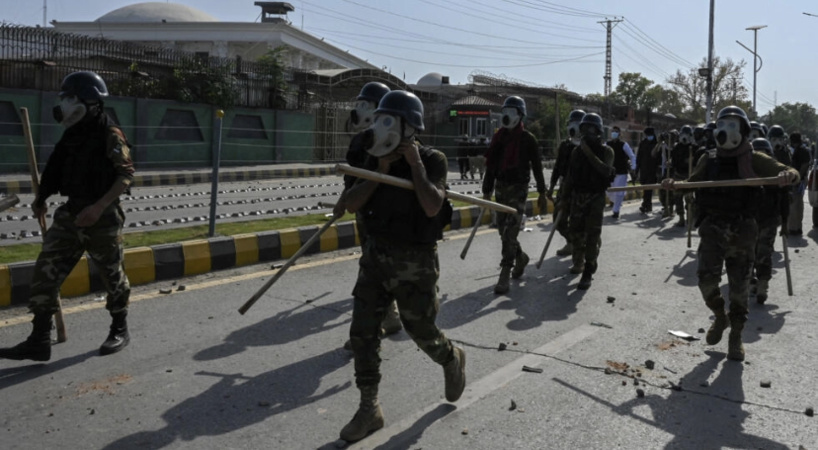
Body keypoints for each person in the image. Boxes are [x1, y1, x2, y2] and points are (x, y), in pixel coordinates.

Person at [339, 90, 465, 442]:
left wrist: (415, 167)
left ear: (411, 127)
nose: (384, 128)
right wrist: (378, 171)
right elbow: (350, 204)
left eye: (391, 121)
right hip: (375, 258)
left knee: (421, 331)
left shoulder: (432, 158)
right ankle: (369, 408)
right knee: (362, 333)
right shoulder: (372, 155)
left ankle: (451, 357)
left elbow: (431, 206)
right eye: (382, 120)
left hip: (415, 264)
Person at [0, 71, 134, 361]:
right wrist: (41, 198)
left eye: (69, 98)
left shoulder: (110, 134)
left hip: (103, 217)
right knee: (44, 274)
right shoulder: (71, 136)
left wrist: (98, 207)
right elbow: (55, 170)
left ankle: (119, 328)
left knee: (113, 277)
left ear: (89, 100)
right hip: (70, 215)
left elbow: (125, 176)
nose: (63, 104)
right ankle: (39, 340)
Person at [662, 106, 799, 362]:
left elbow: (790, 171)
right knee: (706, 280)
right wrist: (674, 185)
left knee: (739, 287)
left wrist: (787, 175)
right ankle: (720, 316)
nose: (725, 130)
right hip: (712, 229)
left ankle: (736, 335)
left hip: (743, 231)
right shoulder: (709, 158)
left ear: (743, 130)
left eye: (732, 125)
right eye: (722, 125)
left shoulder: (754, 158)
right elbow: (690, 184)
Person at [334, 82, 402, 348]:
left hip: (391, 214)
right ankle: (390, 315)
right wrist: (344, 200)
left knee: (374, 269)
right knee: (373, 265)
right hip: (366, 211)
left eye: (366, 105)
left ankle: (368, 331)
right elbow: (353, 177)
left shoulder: (397, 140)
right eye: (359, 104)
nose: (360, 110)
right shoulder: (359, 141)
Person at [483, 96, 547, 294]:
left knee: (511, 232)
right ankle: (521, 257)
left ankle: (504, 273)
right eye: (505, 110)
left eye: (512, 111)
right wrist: (487, 191)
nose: (507, 114)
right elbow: (491, 166)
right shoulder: (498, 138)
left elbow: (537, 167)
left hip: (518, 189)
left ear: (520, 115)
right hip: (501, 189)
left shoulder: (528, 139)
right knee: (503, 231)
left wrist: (543, 193)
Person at [560, 113, 615, 290]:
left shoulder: (607, 151)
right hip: (578, 196)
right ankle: (578, 261)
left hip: (595, 197)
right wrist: (564, 198)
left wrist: (589, 153)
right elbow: (570, 176)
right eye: (584, 129)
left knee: (592, 236)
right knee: (575, 232)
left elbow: (606, 171)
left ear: (598, 131)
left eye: (590, 129)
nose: (586, 133)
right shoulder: (576, 152)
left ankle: (588, 271)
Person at [749, 138, 789, 305]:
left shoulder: (778, 177)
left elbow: (784, 201)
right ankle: (754, 283)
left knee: (762, 253)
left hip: (768, 220)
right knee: (750, 253)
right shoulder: (745, 174)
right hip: (749, 221)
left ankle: (762, 285)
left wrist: (785, 224)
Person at [547, 109, 585, 256]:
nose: (572, 127)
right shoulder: (565, 146)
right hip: (564, 187)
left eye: (576, 123)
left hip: (580, 189)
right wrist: (551, 186)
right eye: (571, 123)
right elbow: (557, 167)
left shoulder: (587, 146)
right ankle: (571, 242)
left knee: (578, 222)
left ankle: (582, 248)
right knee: (559, 219)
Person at [668, 125, 697, 228]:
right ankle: (681, 218)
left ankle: (690, 217)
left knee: (689, 199)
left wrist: (692, 161)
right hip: (678, 175)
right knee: (677, 197)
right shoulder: (676, 148)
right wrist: (670, 163)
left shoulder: (694, 148)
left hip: (688, 176)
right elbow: (674, 161)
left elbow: (697, 163)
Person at [606, 125, 636, 219]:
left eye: (616, 131)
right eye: (612, 131)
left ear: (619, 134)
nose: (614, 133)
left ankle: (616, 211)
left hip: (621, 172)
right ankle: (615, 204)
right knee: (609, 191)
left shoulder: (624, 144)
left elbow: (631, 156)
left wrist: (633, 166)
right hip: (610, 172)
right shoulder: (607, 144)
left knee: (619, 192)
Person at [786, 132, 811, 235]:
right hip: (799, 179)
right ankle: (796, 227)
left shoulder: (802, 150)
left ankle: (794, 228)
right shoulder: (801, 149)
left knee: (795, 204)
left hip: (799, 180)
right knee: (797, 204)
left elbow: (805, 164)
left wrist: (797, 177)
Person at [636, 126, 660, 214]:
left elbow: (659, 158)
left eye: (650, 135)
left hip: (653, 170)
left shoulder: (657, 144)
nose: (649, 136)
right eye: (647, 135)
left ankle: (646, 204)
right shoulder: (643, 143)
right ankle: (647, 205)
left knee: (648, 188)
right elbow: (639, 157)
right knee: (645, 187)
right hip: (643, 169)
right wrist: (636, 169)